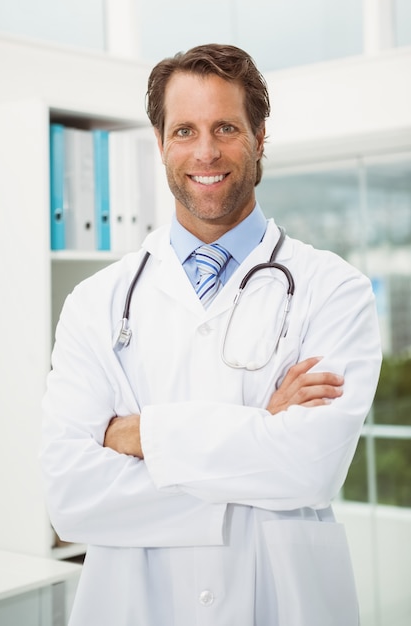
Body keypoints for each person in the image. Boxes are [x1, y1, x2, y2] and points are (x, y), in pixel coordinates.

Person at [41, 44, 382, 626]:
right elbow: (70, 499)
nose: (205, 151)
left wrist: (139, 433)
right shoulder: (95, 303)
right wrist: (260, 438)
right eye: (184, 131)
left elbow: (308, 468)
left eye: (225, 127)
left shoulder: (335, 290)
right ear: (159, 141)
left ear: (260, 136)